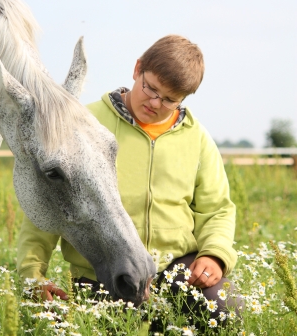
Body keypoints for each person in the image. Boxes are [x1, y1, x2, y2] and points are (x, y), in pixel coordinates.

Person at [17, 35, 238, 318]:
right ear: (137, 69)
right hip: (104, 268)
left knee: (226, 311)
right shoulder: (81, 124)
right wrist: (33, 274)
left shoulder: (198, 139)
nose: (156, 103)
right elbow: (50, 201)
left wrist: (214, 255)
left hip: (176, 269)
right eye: (151, 88)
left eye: (170, 99)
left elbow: (217, 208)